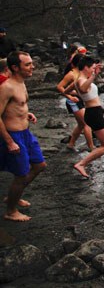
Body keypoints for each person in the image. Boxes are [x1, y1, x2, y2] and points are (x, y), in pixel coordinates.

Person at [0, 51, 47, 222]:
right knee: (21, 174)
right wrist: (9, 142)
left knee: (39, 165)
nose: (32, 67)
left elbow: (16, 107)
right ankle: (11, 211)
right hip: (14, 135)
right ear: (15, 67)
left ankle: (14, 193)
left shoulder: (21, 83)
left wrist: (27, 114)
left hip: (26, 133)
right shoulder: (7, 87)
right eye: (27, 64)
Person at [64, 56, 104, 178]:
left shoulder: (80, 79)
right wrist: (93, 76)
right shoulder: (81, 80)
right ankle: (81, 164)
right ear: (86, 67)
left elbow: (67, 90)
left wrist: (74, 95)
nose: (93, 70)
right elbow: (82, 88)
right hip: (93, 114)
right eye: (92, 68)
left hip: (94, 112)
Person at [56, 53, 95, 151]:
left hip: (80, 100)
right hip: (73, 101)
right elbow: (59, 87)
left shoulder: (82, 73)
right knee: (87, 123)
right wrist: (69, 96)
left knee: (81, 124)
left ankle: (71, 144)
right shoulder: (71, 74)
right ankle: (91, 147)